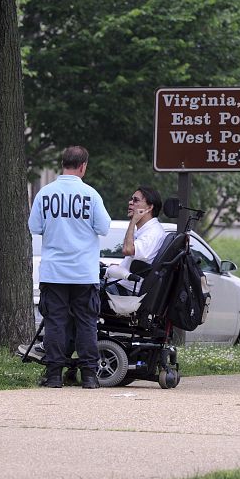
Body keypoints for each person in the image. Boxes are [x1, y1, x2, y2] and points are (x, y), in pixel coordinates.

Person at [28, 146, 111, 389]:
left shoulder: (45, 194)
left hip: (54, 272)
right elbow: (103, 228)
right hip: (84, 273)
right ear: (83, 166)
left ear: (62, 164)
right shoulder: (91, 194)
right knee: (87, 322)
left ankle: (54, 375)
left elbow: (34, 226)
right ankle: (89, 375)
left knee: (55, 322)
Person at [105, 186, 166, 295]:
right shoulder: (145, 229)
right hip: (120, 284)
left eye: (136, 200)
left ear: (149, 207)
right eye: (131, 199)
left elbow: (128, 250)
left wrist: (133, 222)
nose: (130, 202)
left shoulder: (153, 232)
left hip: (127, 290)